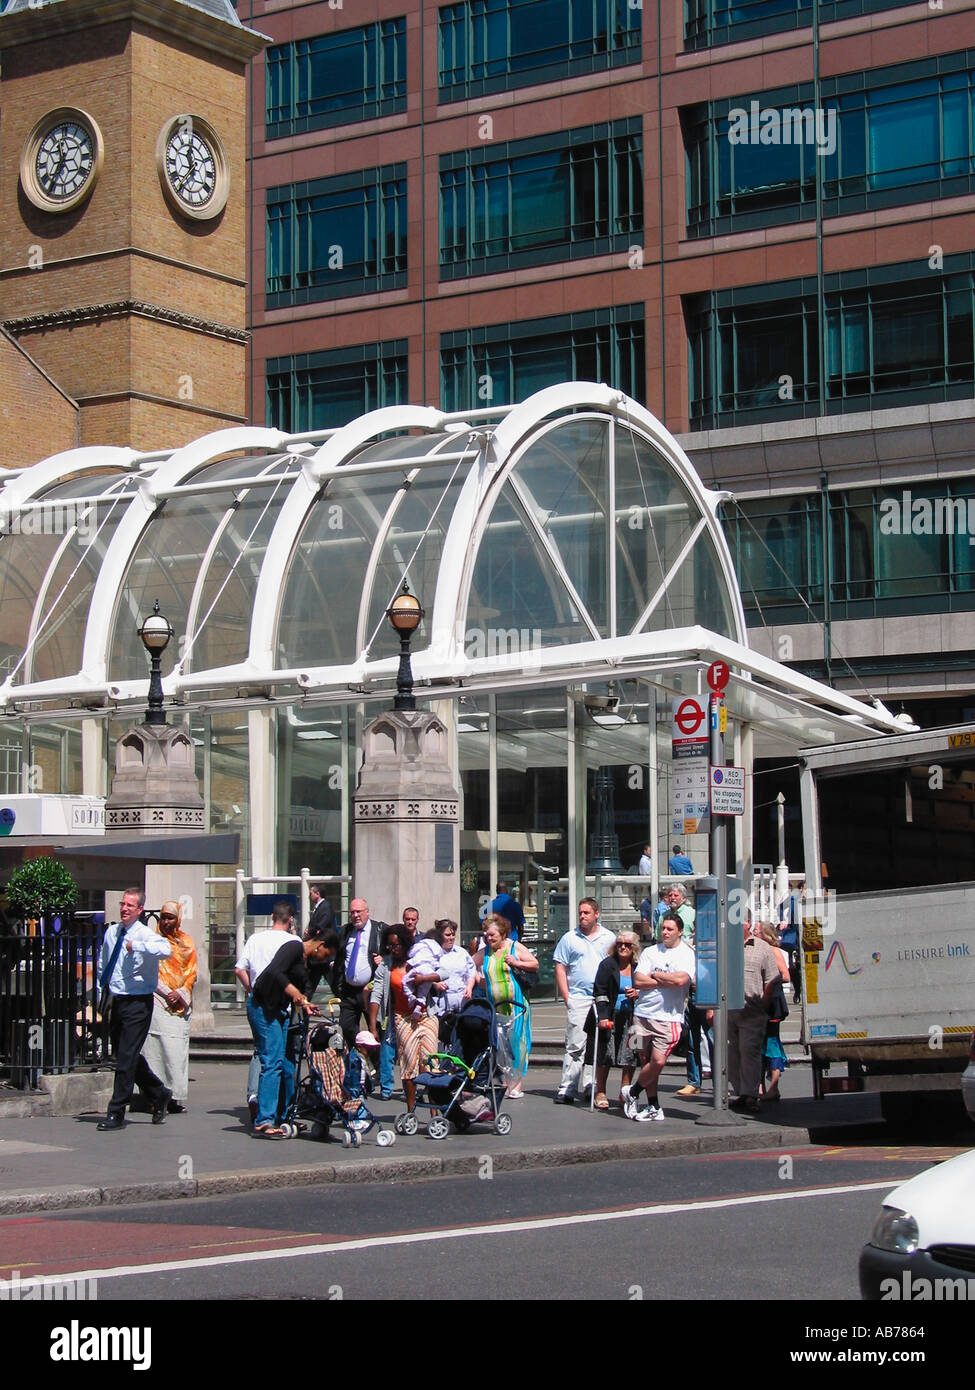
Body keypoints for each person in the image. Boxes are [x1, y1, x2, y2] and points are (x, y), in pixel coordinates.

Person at [96, 888, 174, 1131]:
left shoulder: (145, 935)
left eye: (130, 905)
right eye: (123, 904)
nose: (124, 909)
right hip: (117, 1000)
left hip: (138, 1002)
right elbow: (104, 963)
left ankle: (116, 1111)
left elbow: (166, 950)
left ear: (140, 909)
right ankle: (158, 1092)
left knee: (126, 1058)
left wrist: (138, 946)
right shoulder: (112, 932)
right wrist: (102, 994)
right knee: (124, 1055)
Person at [249, 926, 337, 1137]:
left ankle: (285, 1114)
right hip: (263, 1007)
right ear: (321, 945)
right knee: (273, 1061)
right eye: (328, 954)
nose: (326, 959)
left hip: (280, 1010)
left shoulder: (308, 965)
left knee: (289, 1063)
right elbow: (274, 972)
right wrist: (295, 993)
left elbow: (303, 989)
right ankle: (264, 1120)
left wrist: (306, 1003)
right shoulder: (293, 947)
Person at [622, 911, 696, 1122]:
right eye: (663, 928)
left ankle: (633, 1091)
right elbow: (638, 981)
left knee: (658, 1061)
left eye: (670, 929)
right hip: (642, 1015)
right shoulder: (650, 952)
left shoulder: (686, 954)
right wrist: (664, 980)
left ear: (680, 932)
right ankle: (653, 1105)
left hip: (669, 1019)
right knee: (643, 1058)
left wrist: (655, 975)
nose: (665, 932)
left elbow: (682, 981)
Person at [235, 899, 298, 1124]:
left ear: (272, 917)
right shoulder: (294, 941)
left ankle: (276, 1111)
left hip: (259, 1002)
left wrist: (252, 987)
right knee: (275, 1060)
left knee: (268, 1056)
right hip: (280, 1005)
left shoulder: (255, 939)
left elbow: (240, 969)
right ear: (291, 920)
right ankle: (267, 1117)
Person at [552, 897, 615, 1104]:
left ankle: (590, 1085)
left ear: (597, 914)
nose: (582, 916)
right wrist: (567, 996)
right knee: (575, 1044)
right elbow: (560, 966)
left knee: (596, 1045)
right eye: (580, 912)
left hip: (601, 998)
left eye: (586, 913)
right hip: (578, 997)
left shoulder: (608, 938)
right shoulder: (570, 938)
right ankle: (567, 1087)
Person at [371, 924, 437, 1112]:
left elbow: (442, 974)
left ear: (405, 943)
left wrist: (424, 980)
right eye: (390, 946)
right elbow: (376, 995)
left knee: (430, 1062)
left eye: (397, 945)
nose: (393, 949)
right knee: (408, 1064)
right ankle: (411, 1110)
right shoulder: (386, 965)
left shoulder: (417, 959)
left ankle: (434, 1111)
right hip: (401, 1017)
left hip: (426, 1015)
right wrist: (373, 1027)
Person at [140, 900, 197, 1114]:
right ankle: (155, 1097)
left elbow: (191, 972)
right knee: (155, 1051)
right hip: (158, 1000)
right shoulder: (153, 941)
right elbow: (149, 971)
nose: (165, 921)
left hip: (179, 1004)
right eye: (163, 917)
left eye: (170, 917)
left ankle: (174, 1097)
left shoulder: (187, 942)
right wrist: (166, 993)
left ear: (178, 919)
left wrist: (180, 993)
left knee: (174, 1054)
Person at [473, 913, 538, 1098]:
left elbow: (535, 963)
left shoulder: (513, 947)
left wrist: (516, 962)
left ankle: (516, 1084)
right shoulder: (485, 951)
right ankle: (505, 1080)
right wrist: (478, 981)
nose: (489, 937)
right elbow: (469, 965)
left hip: (516, 1005)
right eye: (486, 934)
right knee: (501, 1045)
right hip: (495, 1006)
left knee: (517, 1042)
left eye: (492, 934)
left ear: (502, 934)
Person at [728, 919, 781, 1115]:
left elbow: (772, 979)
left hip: (752, 1011)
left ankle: (751, 1094)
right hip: (728, 1012)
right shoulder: (725, 945)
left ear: (748, 923)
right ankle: (741, 1092)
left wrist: (762, 1004)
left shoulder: (762, 948)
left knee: (749, 1052)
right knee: (731, 1055)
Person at [587, 930, 640, 1109]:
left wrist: (638, 993)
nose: (622, 947)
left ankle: (625, 1090)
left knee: (631, 1054)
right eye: (619, 944)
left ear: (634, 948)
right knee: (605, 1054)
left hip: (633, 1018)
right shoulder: (607, 965)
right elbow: (599, 992)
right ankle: (600, 1091)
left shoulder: (639, 966)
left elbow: (648, 988)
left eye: (627, 944)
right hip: (609, 1016)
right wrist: (602, 1016)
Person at [335, 898, 386, 1046]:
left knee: (374, 1030)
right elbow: (339, 953)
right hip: (349, 991)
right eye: (352, 912)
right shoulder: (346, 931)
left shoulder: (379, 930)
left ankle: (376, 1065)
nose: (356, 915)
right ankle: (355, 1058)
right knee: (345, 1027)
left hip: (370, 990)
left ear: (367, 912)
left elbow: (396, 949)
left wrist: (385, 958)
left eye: (359, 911)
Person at [421, 919, 475, 1045]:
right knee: (443, 1035)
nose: (451, 938)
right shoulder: (433, 953)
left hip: (461, 997)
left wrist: (470, 987)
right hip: (442, 1000)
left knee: (462, 1035)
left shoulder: (461, 952)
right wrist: (435, 984)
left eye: (453, 935)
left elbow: (471, 973)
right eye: (447, 935)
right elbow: (424, 973)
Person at [757, 921, 790, 1103]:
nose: (754, 933)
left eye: (757, 930)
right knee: (760, 1045)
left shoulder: (773, 951)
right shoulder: (760, 950)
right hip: (762, 1002)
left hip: (773, 1004)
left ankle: (773, 1087)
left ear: (765, 934)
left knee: (771, 1044)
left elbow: (785, 975)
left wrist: (768, 981)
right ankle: (760, 1086)